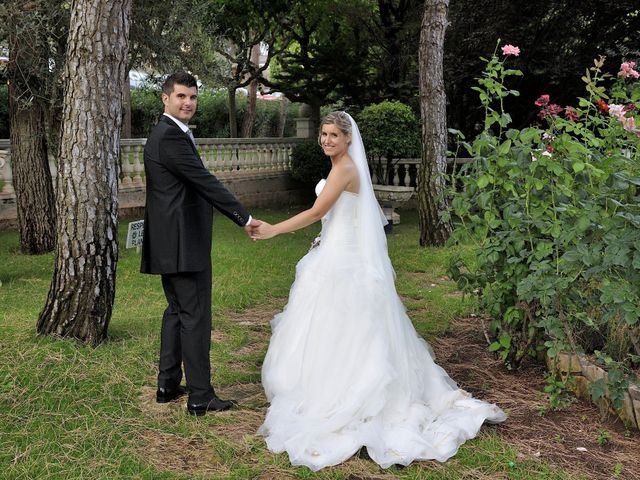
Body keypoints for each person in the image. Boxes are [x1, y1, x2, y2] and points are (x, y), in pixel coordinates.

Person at [251, 111, 506, 470]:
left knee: (351, 330)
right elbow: (338, 216)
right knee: (329, 327)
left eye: (333, 136)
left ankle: (350, 394)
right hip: (334, 252)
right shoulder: (341, 167)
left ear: (348, 138)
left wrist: (274, 229)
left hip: (345, 264)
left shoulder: (345, 170)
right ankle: (319, 385)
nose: (326, 140)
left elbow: (315, 211)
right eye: (323, 134)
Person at [140, 72, 260, 416]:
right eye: (181, 96)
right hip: (182, 244)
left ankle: (167, 385)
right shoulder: (171, 137)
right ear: (165, 98)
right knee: (194, 316)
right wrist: (245, 218)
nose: (188, 103)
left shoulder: (167, 134)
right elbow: (206, 183)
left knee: (177, 312)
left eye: (192, 97)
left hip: (171, 241)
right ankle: (200, 396)